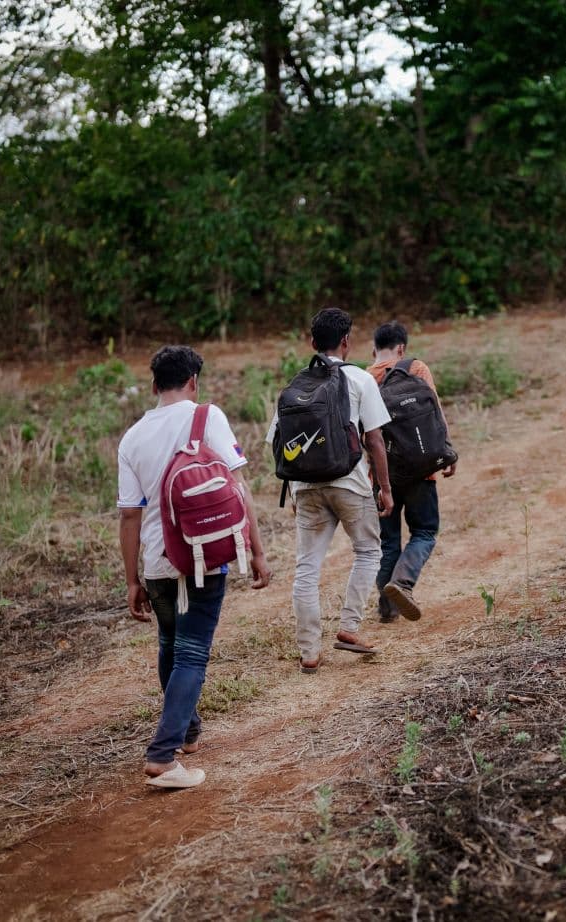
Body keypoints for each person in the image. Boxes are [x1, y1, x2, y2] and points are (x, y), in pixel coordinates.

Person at [117, 345, 271, 789]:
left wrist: (132, 579)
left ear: (152, 387)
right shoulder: (207, 417)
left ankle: (187, 733)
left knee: (170, 643)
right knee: (191, 652)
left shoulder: (132, 437)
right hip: (204, 555)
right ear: (193, 383)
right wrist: (257, 551)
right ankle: (162, 756)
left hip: (157, 562)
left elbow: (129, 515)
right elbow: (238, 487)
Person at [267, 308, 393, 673]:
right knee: (369, 551)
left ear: (311, 344)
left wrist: (294, 491)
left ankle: (309, 652)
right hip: (350, 482)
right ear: (346, 342)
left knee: (306, 568)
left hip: (305, 488)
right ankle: (350, 628)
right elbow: (375, 439)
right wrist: (384, 488)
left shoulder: (295, 386)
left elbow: (278, 442)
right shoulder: (358, 379)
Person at [368, 321, 456, 623]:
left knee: (388, 542)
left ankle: (387, 607)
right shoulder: (415, 368)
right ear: (401, 347)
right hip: (421, 471)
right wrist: (448, 451)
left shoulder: (363, 379)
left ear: (373, 349)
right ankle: (402, 583)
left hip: (381, 477)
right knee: (425, 531)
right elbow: (435, 413)